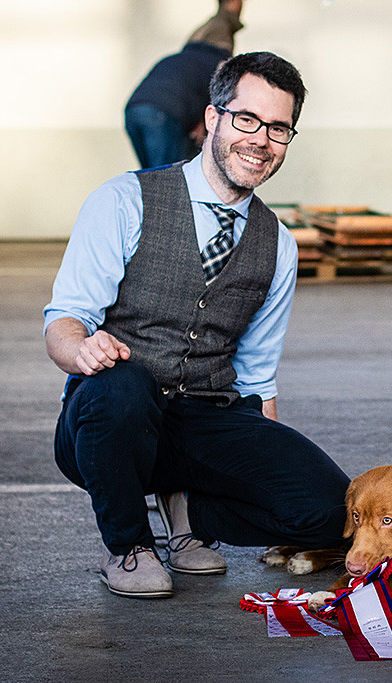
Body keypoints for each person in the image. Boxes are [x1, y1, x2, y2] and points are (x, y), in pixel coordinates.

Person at [44, 51, 350, 599]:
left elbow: (258, 375)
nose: (260, 139)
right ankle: (129, 547)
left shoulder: (277, 243)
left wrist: (268, 460)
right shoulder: (123, 200)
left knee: (331, 511)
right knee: (121, 384)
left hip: (205, 417)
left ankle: (191, 515)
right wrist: (82, 351)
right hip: (111, 421)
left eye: (279, 128)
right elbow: (64, 321)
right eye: (246, 119)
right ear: (212, 119)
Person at [124, 0, 244, 169]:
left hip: (133, 110)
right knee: (169, 181)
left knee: (151, 178)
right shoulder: (217, 62)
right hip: (163, 114)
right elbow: (219, 101)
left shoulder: (183, 59)